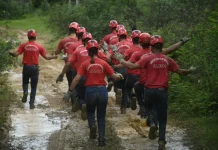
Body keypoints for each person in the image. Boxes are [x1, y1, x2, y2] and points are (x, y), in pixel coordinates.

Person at [114, 35, 196, 150]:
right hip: (162, 91)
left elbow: (132, 66)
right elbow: (181, 72)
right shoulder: (167, 59)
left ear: (152, 47)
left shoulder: (147, 58)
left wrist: (121, 59)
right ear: (161, 46)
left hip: (149, 90)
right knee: (162, 117)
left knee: (148, 109)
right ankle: (161, 141)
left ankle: (151, 123)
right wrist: (190, 70)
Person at [63, 40, 123, 146]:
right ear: (98, 51)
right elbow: (114, 77)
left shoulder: (85, 64)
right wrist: (119, 76)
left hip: (90, 91)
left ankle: (92, 125)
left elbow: (77, 78)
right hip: (102, 91)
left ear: (88, 50)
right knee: (101, 116)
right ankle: (101, 140)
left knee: (90, 112)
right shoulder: (103, 63)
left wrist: (70, 91)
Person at [8, 29, 58, 109]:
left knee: (25, 82)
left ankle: (25, 92)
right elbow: (46, 57)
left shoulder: (24, 45)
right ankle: (31, 104)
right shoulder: (39, 46)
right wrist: (54, 57)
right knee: (34, 87)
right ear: (35, 37)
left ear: (28, 36)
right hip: (34, 68)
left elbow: (16, 54)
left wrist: (10, 52)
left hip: (26, 67)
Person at [54, 22, 79, 90]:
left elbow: (56, 52)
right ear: (77, 30)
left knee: (70, 83)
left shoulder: (64, 40)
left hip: (68, 67)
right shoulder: (80, 40)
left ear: (69, 30)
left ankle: (72, 97)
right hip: (78, 66)